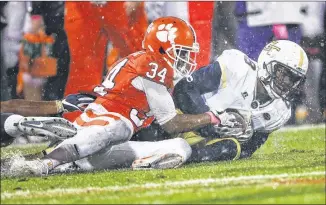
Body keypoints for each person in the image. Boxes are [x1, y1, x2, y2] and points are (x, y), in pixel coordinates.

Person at [7, 17, 242, 177]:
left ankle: (70, 163)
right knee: (117, 127)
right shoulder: (152, 64)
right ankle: (44, 161)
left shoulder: (153, 65)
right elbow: (170, 123)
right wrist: (212, 117)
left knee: (181, 148)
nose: (186, 59)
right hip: (101, 122)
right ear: (161, 47)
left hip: (112, 140)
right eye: (181, 52)